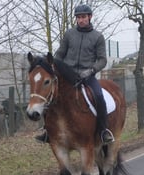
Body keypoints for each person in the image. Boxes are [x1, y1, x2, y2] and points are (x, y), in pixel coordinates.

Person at [36, 4, 114, 144]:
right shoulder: (69, 34)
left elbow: (102, 60)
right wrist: (52, 65)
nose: (81, 20)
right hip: (67, 75)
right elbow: (60, 54)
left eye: (83, 17)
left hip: (87, 76)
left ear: (90, 17)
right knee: (50, 95)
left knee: (99, 96)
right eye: (78, 17)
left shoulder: (98, 37)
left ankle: (103, 131)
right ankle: (47, 129)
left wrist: (91, 70)